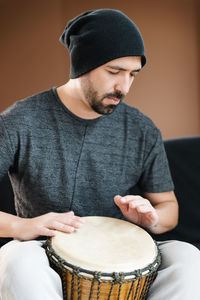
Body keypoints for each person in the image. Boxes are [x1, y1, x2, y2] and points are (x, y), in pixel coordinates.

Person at [0, 8, 199, 300]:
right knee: (15, 261)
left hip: (126, 256)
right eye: (114, 72)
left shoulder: (142, 129)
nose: (124, 86)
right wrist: (22, 225)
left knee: (189, 258)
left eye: (133, 74)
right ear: (82, 65)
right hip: (44, 252)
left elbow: (169, 207)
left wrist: (151, 218)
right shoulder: (19, 120)